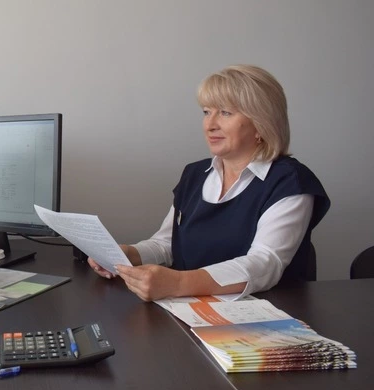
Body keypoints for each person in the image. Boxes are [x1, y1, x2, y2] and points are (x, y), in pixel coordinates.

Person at [89, 65, 330, 301]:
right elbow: (167, 244)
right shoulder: (195, 174)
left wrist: (177, 283)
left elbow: (264, 264)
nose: (210, 125)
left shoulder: (290, 182)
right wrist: (126, 255)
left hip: (266, 316)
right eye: (206, 112)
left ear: (261, 123)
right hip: (189, 310)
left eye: (225, 112)